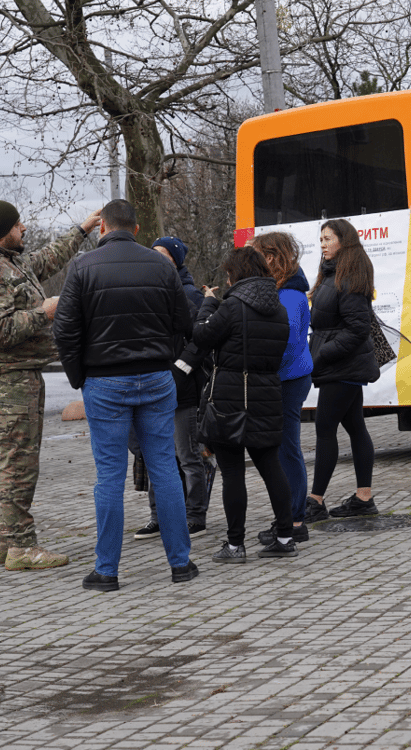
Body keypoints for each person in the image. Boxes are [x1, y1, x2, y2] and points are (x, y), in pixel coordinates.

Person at [52, 200, 198, 591]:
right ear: (135, 229)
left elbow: (65, 330)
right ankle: (181, 564)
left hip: (104, 382)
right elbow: (184, 323)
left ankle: (107, 571)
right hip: (155, 378)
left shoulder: (83, 267)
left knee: (110, 477)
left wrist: (80, 376)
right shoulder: (162, 266)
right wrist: (163, 356)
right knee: (165, 469)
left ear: (103, 228)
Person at [0, 199, 101, 570]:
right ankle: (22, 547)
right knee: (18, 464)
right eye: (18, 224)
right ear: (3, 231)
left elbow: (46, 260)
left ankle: (1, 540)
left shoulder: (9, 261)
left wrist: (83, 229)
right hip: (7, 380)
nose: (24, 228)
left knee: (11, 460)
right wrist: (45, 312)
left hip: (19, 375)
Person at [190, 247, 295, 563]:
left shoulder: (232, 306)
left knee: (233, 473)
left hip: (230, 401)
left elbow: (201, 335)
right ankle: (285, 537)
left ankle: (235, 545)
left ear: (236, 275)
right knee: (271, 467)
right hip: (266, 396)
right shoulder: (279, 308)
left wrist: (208, 302)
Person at [131, 236, 213, 541]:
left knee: (188, 455)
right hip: (150, 390)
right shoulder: (145, 291)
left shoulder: (191, 296)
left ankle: (195, 517)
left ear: (176, 261)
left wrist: (180, 371)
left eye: (163, 255)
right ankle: (161, 517)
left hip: (182, 392)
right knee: (155, 458)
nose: (156, 260)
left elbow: (200, 343)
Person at [305, 218, 381, 519]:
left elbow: (357, 329)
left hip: (343, 366)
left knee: (325, 427)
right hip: (341, 365)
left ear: (343, 242)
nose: (323, 245)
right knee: (355, 426)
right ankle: (364, 499)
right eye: (321, 239)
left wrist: (322, 355)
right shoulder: (332, 274)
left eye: (328, 239)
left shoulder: (348, 278)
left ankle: (316, 501)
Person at [249, 232, 314, 546]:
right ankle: (288, 515)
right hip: (286, 376)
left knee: (287, 448)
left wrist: (260, 367)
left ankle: (295, 520)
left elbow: (285, 346)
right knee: (283, 447)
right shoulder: (283, 290)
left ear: (272, 257)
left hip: (288, 378)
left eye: (258, 254)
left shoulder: (289, 295)